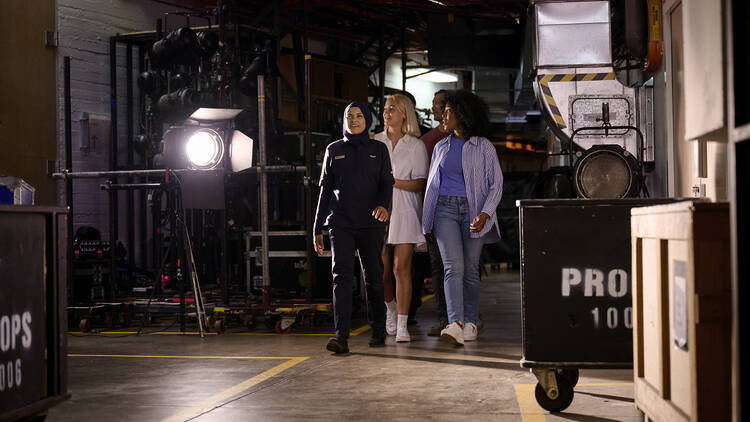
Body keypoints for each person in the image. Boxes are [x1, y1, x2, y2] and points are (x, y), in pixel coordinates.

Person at [422, 89, 503, 346]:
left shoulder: (484, 146)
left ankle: (470, 322)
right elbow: (432, 186)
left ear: (462, 114)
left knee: (469, 270)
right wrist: (427, 220)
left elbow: (496, 184)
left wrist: (485, 213)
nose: (443, 116)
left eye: (448, 111)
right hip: (443, 210)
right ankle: (455, 323)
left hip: (474, 211)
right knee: (451, 267)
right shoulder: (440, 147)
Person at [314, 101, 394, 354]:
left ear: (367, 119)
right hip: (341, 224)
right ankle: (341, 337)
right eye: (350, 116)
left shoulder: (378, 149)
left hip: (371, 223)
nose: (354, 120)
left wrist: (384, 206)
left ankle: (378, 331)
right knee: (341, 278)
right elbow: (325, 191)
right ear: (344, 120)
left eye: (359, 115)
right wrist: (317, 227)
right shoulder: (333, 149)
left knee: (373, 278)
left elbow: (386, 184)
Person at [374, 94, 429, 342]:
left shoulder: (415, 145)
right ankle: (390, 310)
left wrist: (391, 181)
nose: (387, 112)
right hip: (379, 210)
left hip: (406, 210)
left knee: (400, 268)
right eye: (385, 108)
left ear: (404, 113)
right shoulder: (375, 142)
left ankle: (403, 324)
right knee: (383, 271)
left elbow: (419, 183)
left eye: (392, 108)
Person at [419, 89, 450, 336]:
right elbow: (424, 184)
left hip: (464, 213)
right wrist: (426, 220)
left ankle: (467, 316)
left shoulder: (471, 139)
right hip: (437, 212)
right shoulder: (428, 141)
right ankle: (444, 317)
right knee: (438, 266)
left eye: (438, 104)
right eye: (433, 104)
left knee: (464, 267)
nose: (433, 109)